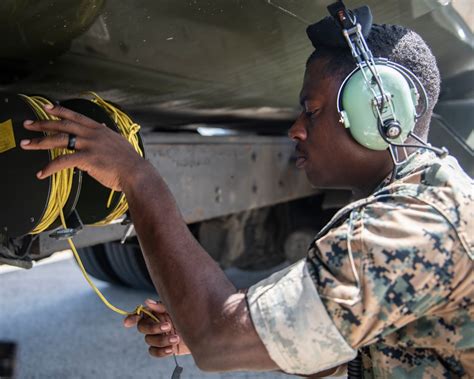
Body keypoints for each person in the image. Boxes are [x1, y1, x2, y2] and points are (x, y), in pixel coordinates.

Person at [20, 10, 473, 379]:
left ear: (381, 115)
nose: (296, 129)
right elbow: (352, 350)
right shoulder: (423, 200)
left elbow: (218, 341)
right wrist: (243, 328)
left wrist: (137, 178)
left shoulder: (409, 226)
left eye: (311, 111)